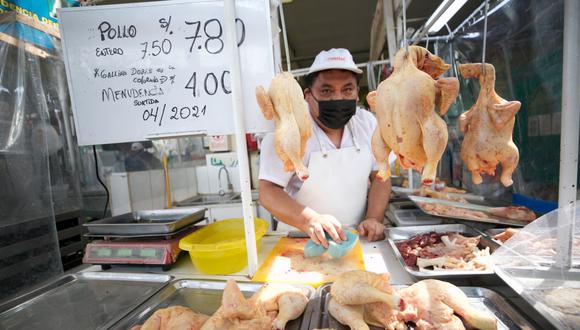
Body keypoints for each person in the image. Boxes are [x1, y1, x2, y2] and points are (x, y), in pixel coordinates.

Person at [259, 48, 391, 248]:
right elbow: (268, 191)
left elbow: (381, 176)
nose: (337, 98)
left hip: (354, 239)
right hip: (299, 241)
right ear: (307, 95)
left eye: (347, 90)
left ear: (357, 94)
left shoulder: (368, 124)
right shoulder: (288, 130)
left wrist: (373, 218)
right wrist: (309, 220)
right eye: (326, 91)